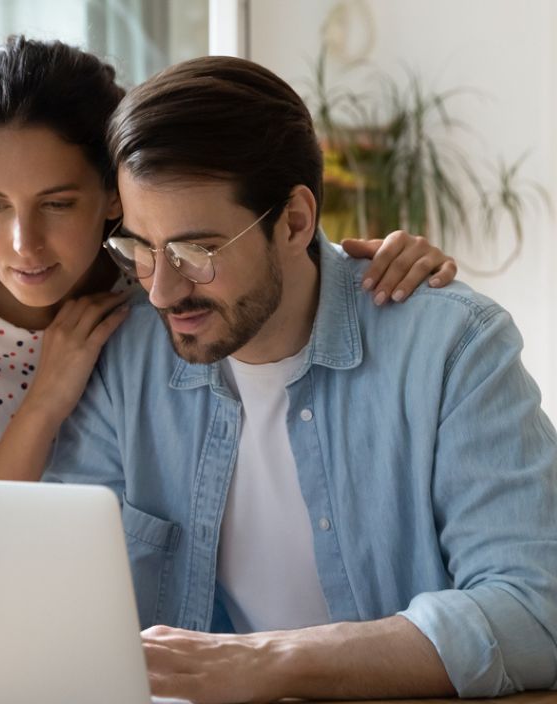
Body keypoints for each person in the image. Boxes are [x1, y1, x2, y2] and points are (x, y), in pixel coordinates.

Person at [42, 55, 557, 701]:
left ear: (294, 221)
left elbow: (535, 610)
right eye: (140, 247)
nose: (163, 288)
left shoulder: (452, 347)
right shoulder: (124, 358)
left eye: (195, 251)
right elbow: (54, 599)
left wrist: (271, 661)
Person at [0, 36, 457, 480]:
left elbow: (265, 260)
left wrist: (379, 269)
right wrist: (44, 402)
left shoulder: (149, 284)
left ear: (114, 195)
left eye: (58, 204)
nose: (23, 244)